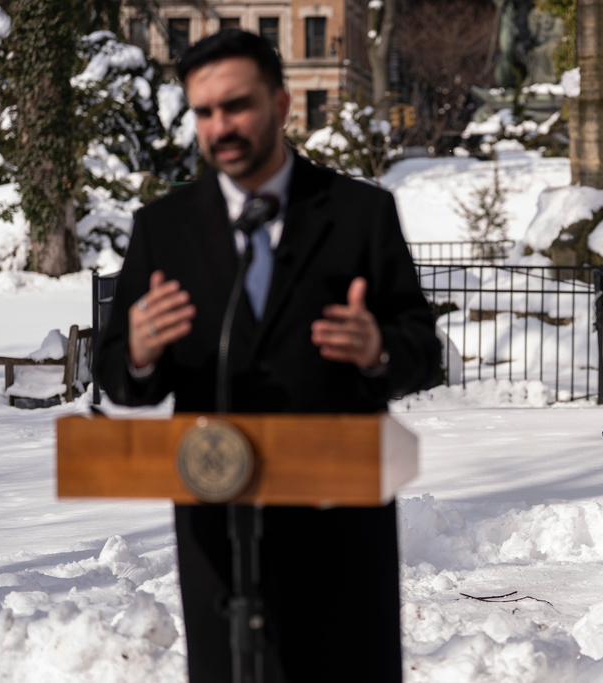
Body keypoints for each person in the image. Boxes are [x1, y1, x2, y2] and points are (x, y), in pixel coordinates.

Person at [94, 29, 440, 683]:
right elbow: (119, 377)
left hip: (339, 527)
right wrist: (137, 351)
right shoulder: (163, 230)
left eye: (237, 105)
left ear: (280, 105)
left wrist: (378, 349)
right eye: (204, 111)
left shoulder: (360, 214)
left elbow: (425, 353)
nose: (220, 125)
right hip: (219, 528)